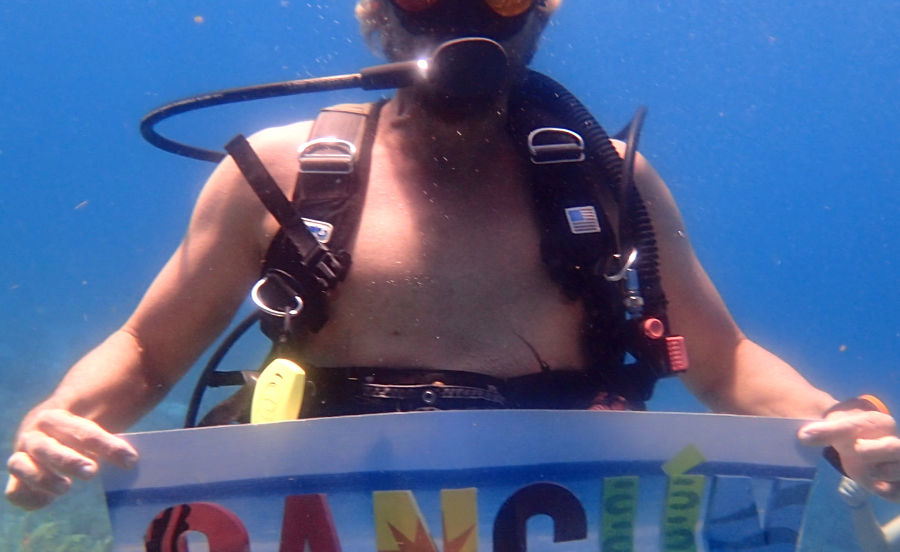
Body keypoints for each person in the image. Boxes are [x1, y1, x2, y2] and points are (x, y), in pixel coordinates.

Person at [6, 0, 900, 511]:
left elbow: (724, 361)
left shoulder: (606, 178)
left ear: (541, 12)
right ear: (380, 15)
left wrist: (841, 424)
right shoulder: (282, 173)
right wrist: (60, 419)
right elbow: (146, 351)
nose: (467, 17)